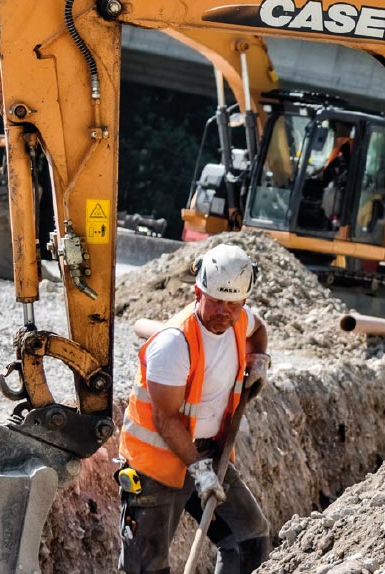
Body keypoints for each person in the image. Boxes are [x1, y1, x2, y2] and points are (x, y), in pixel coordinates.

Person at [118, 244, 272, 574]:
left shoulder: (240, 319)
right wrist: (199, 471)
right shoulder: (174, 344)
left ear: (243, 301)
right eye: (215, 300)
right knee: (146, 566)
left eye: (233, 304)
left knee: (249, 539)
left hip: (208, 451)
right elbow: (164, 417)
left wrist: (258, 361)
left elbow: (258, 329)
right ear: (197, 291)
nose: (224, 311)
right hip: (156, 464)